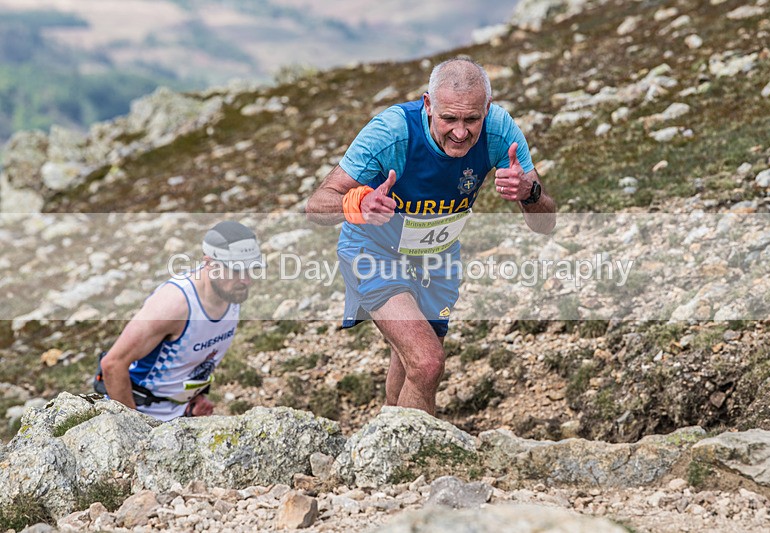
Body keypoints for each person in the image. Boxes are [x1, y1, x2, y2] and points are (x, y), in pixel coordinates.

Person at [305, 57, 556, 415]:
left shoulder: (501, 131)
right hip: (375, 251)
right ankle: (409, 459)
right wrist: (357, 203)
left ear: (487, 108)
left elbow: (545, 224)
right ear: (428, 105)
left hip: (437, 256)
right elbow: (316, 205)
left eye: (472, 119)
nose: (460, 132)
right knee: (427, 362)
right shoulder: (391, 131)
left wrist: (529, 193)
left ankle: (387, 443)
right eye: (448, 119)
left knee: (409, 360)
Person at [96, 221, 264, 421]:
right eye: (236, 270)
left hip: (180, 414)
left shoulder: (232, 293)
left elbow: (195, 354)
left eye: (251, 268)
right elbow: (112, 364)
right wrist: (137, 431)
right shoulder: (174, 305)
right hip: (141, 415)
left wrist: (194, 398)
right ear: (210, 264)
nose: (246, 280)